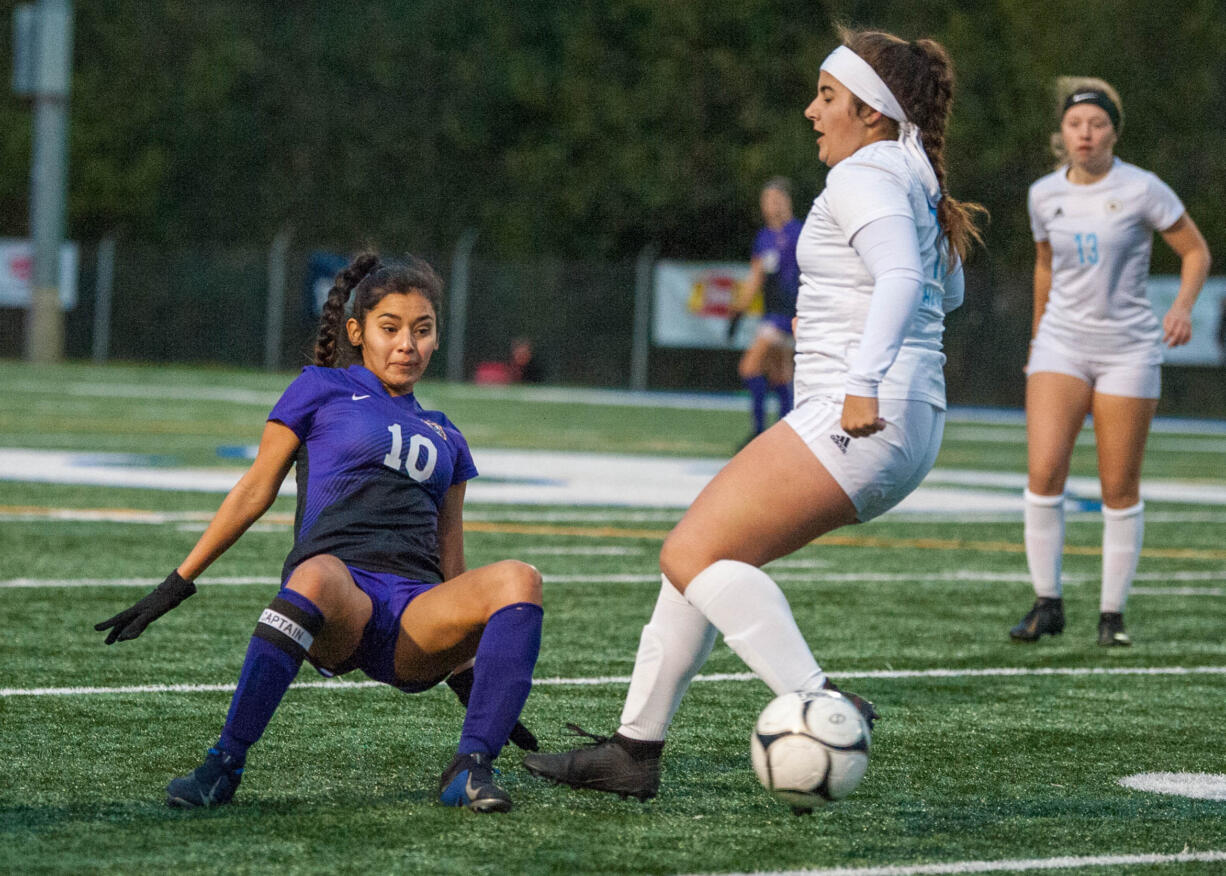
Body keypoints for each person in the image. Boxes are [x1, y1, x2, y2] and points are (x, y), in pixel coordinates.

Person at [523, 28, 983, 802]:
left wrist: (861, 374)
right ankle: (635, 748)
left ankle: (820, 701)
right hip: (905, 421)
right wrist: (836, 325)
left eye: (827, 96)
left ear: (870, 111)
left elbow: (903, 277)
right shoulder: (909, 171)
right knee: (703, 559)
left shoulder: (864, 174)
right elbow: (947, 292)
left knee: (688, 555)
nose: (811, 110)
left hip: (861, 414)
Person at [94, 253, 545, 813]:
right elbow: (255, 490)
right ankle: (223, 764)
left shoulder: (448, 434)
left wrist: (472, 679)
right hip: (340, 601)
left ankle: (472, 766)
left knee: (520, 579)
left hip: (415, 618)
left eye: (422, 331)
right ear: (358, 332)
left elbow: (451, 560)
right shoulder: (320, 389)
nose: (407, 344)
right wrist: (177, 582)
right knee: (317, 573)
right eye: (391, 328)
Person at [1009, 78, 1211, 647]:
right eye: (1076, 124)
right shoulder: (1043, 194)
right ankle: (1047, 603)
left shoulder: (1144, 188)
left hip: (1128, 348)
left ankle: (1111, 617)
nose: (1086, 134)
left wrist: (1182, 307)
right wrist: (1036, 337)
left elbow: (1195, 251)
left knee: (1118, 485)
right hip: (1061, 344)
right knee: (1044, 472)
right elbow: (1044, 266)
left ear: (1113, 132)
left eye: (1097, 125)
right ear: (1063, 133)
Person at [731, 178, 803, 444]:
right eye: (767, 200)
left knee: (750, 368)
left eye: (777, 199)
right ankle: (784, 436)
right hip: (772, 314)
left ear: (788, 201)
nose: (772, 205)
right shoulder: (764, 237)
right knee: (780, 374)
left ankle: (759, 432)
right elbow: (755, 278)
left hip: (787, 314)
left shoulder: (799, 233)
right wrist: (738, 311)